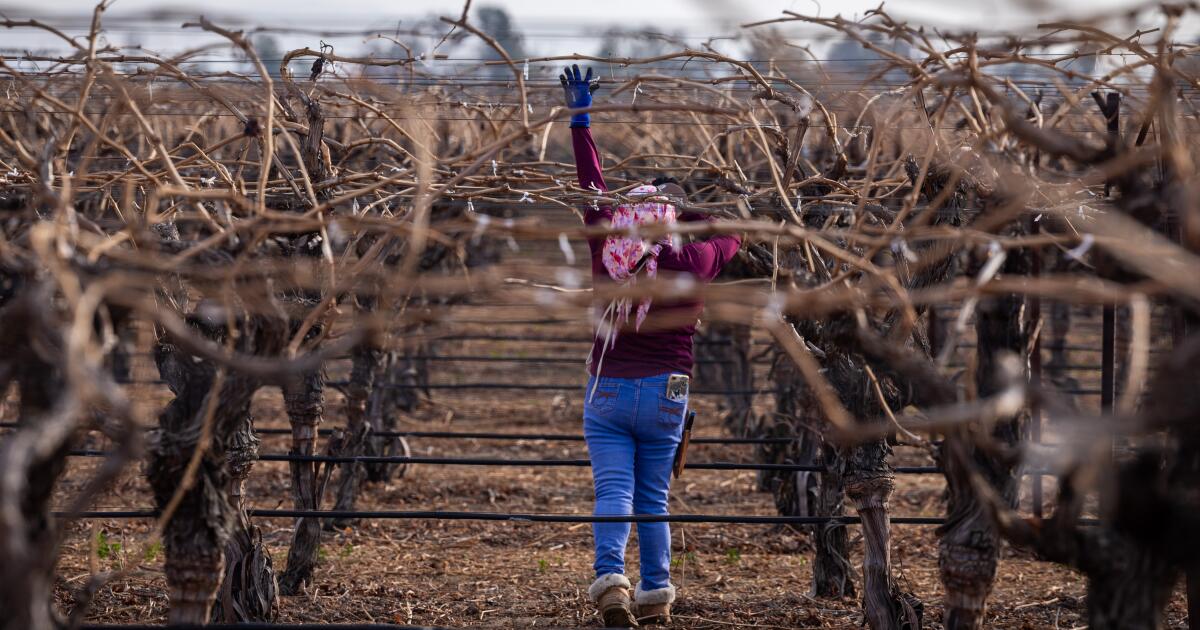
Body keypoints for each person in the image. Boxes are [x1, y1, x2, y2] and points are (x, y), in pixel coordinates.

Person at [560, 64, 742, 627]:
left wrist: (580, 119)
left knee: (613, 489)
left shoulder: (609, 252)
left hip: (609, 390)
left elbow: (592, 189)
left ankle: (611, 582)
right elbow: (731, 233)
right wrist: (682, 210)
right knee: (654, 498)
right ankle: (656, 594)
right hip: (668, 392)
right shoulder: (693, 259)